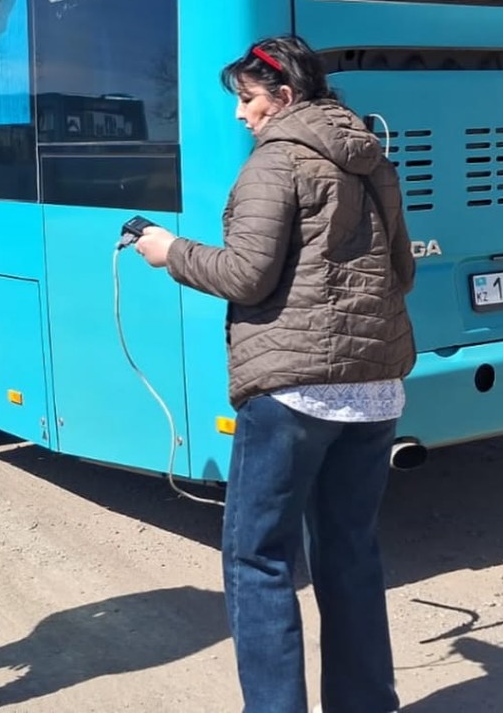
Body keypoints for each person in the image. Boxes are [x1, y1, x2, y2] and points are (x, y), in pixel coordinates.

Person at [135, 35, 415, 713]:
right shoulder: (371, 159)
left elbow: (246, 276)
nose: (240, 114)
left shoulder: (276, 162)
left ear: (284, 97)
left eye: (248, 99)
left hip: (293, 394)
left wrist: (170, 251)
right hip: (376, 391)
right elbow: (402, 271)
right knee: (349, 554)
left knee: (256, 561)